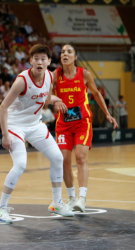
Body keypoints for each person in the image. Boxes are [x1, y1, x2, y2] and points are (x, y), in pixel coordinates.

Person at [0, 44, 74, 224]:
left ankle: (56, 203)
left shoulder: (48, 76)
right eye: (36, 59)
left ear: (49, 61)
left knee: (57, 158)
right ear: (30, 61)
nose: (40, 62)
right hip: (15, 126)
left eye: (43, 59)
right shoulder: (22, 81)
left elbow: (46, 99)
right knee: (21, 164)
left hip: (35, 125)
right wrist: (5, 134)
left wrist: (56, 101)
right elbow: (3, 107)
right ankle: (1, 208)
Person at [52, 44, 117, 212]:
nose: (65, 54)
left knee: (81, 158)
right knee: (63, 161)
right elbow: (45, 94)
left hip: (82, 122)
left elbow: (96, 94)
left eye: (69, 52)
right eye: (63, 52)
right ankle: (72, 197)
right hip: (63, 124)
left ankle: (82, 198)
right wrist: (54, 100)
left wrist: (107, 114)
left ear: (75, 57)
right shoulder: (54, 76)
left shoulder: (85, 74)